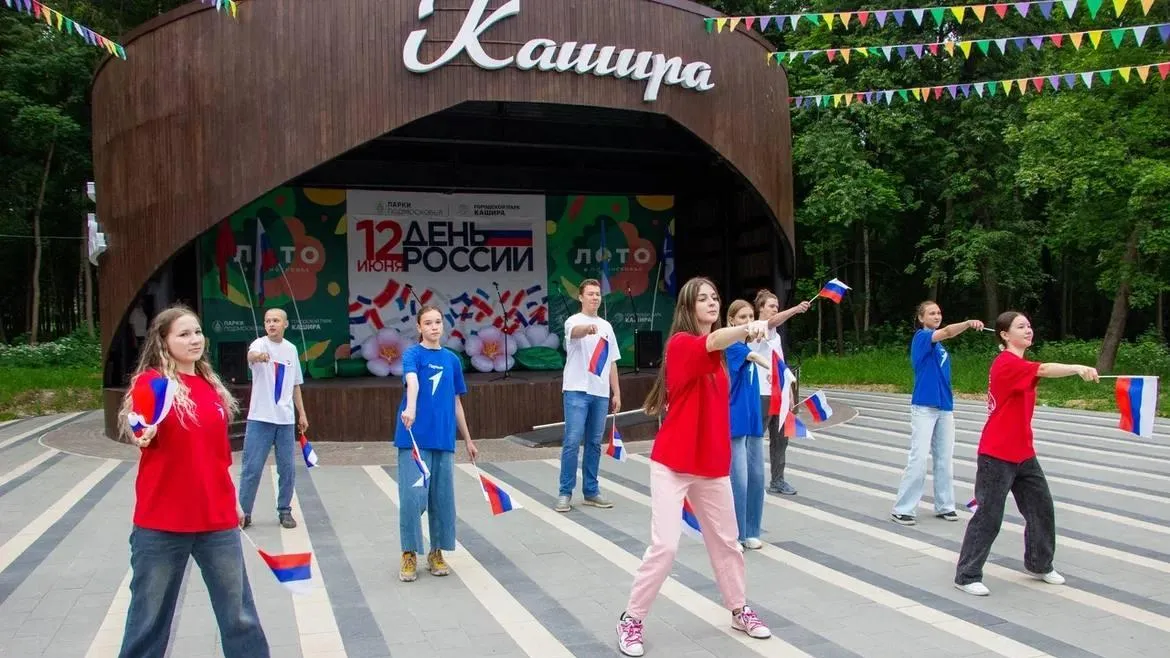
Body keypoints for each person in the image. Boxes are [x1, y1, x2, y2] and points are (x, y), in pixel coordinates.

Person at [616, 277, 773, 658]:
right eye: (703, 298)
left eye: (715, 297)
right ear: (689, 307)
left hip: (711, 464)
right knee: (665, 547)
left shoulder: (726, 353)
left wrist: (761, 325)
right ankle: (631, 619)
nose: (712, 302)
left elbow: (735, 338)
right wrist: (746, 328)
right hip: (673, 462)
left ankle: (739, 609)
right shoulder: (681, 344)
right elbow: (715, 340)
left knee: (727, 542)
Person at [116, 305, 269, 658]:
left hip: (216, 521)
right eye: (183, 334)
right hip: (162, 523)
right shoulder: (152, 383)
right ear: (164, 341)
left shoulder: (210, 387)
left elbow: (218, 456)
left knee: (240, 615)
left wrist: (232, 500)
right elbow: (139, 423)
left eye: (197, 332)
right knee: (148, 620)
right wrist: (142, 431)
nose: (194, 339)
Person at [954, 311, 1098, 597]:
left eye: (1029, 325)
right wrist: (1076, 367)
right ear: (1005, 334)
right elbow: (1044, 369)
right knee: (989, 516)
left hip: (1023, 453)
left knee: (1041, 508)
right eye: (1021, 326)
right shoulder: (1006, 363)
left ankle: (1039, 564)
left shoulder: (1019, 364)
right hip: (997, 454)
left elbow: (1037, 372)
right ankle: (966, 575)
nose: (1028, 330)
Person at [397, 305, 479, 582]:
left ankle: (436, 552)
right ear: (419, 327)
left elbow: (457, 402)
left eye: (437, 322)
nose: (433, 327)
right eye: (428, 323)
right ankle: (409, 552)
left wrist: (468, 439)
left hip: (444, 438)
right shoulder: (413, 354)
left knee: (441, 499)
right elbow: (412, 382)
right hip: (414, 438)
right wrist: (410, 408)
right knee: (413, 497)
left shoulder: (452, 360)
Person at [891, 302, 984, 525]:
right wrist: (968, 324)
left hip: (944, 407)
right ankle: (903, 508)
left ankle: (945, 505)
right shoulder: (922, 337)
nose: (937, 316)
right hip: (924, 406)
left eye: (939, 313)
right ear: (921, 318)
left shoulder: (940, 346)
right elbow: (949, 331)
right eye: (931, 313)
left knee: (944, 459)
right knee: (919, 458)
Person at [237, 308, 308, 530]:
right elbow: (250, 355)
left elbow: (295, 384)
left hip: (285, 420)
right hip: (260, 418)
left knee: (287, 468)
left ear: (285, 324)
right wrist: (258, 357)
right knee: (252, 468)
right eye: (268, 321)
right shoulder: (259, 344)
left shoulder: (291, 349)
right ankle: (244, 513)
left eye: (276, 320)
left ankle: (285, 510)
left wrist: (302, 413)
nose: (271, 324)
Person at [556, 278, 621, 512]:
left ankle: (591, 491)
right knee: (572, 441)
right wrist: (587, 329)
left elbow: (612, 361)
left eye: (598, 294)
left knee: (594, 443)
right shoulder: (573, 321)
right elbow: (574, 333)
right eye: (591, 294)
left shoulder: (607, 326)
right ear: (581, 297)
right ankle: (565, 492)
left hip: (600, 392)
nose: (595, 297)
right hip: (576, 390)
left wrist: (616, 392)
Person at [751, 289, 809, 495]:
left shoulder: (776, 336)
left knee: (781, 439)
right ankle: (750, 480)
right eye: (771, 306)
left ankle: (778, 480)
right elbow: (772, 322)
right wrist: (796, 309)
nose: (775, 309)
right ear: (760, 308)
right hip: (761, 392)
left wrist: (789, 392)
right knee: (754, 439)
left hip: (779, 393)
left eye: (777, 306)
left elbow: (781, 364)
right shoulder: (756, 327)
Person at [725, 300, 773, 550]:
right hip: (736, 420)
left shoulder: (748, 344)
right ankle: (736, 534)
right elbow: (751, 356)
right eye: (742, 317)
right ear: (731, 320)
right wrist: (767, 363)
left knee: (757, 476)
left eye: (751, 317)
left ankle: (752, 530)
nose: (748, 321)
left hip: (754, 419)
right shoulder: (731, 346)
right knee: (739, 479)